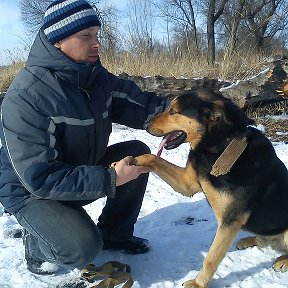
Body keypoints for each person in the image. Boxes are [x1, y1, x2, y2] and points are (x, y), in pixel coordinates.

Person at [0, 0, 168, 275]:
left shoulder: (94, 77)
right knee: (81, 248)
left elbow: (138, 104)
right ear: (58, 41)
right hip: (31, 191)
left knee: (138, 153)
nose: (96, 43)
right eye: (85, 36)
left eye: (97, 35)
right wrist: (110, 178)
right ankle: (36, 243)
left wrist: (176, 117)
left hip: (77, 168)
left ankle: (115, 233)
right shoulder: (27, 97)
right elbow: (40, 178)